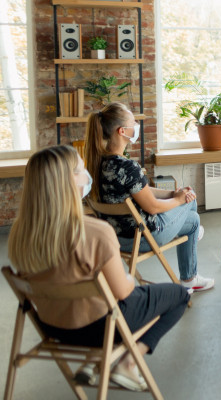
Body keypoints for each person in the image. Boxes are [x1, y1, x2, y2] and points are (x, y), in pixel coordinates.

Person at [8, 145, 190, 392]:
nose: (87, 175)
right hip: (100, 329)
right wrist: (127, 278)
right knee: (179, 295)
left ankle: (92, 362)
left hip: (53, 327)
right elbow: (124, 292)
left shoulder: (20, 234)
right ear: (67, 182)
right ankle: (126, 362)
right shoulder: (94, 232)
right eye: (81, 169)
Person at [84, 102, 214, 291]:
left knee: (188, 206)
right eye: (132, 122)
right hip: (142, 236)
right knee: (192, 214)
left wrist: (172, 193)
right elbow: (152, 207)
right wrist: (179, 198)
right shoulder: (128, 167)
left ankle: (192, 243)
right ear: (122, 131)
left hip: (115, 237)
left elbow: (142, 190)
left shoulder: (98, 163)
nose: (136, 125)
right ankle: (189, 277)